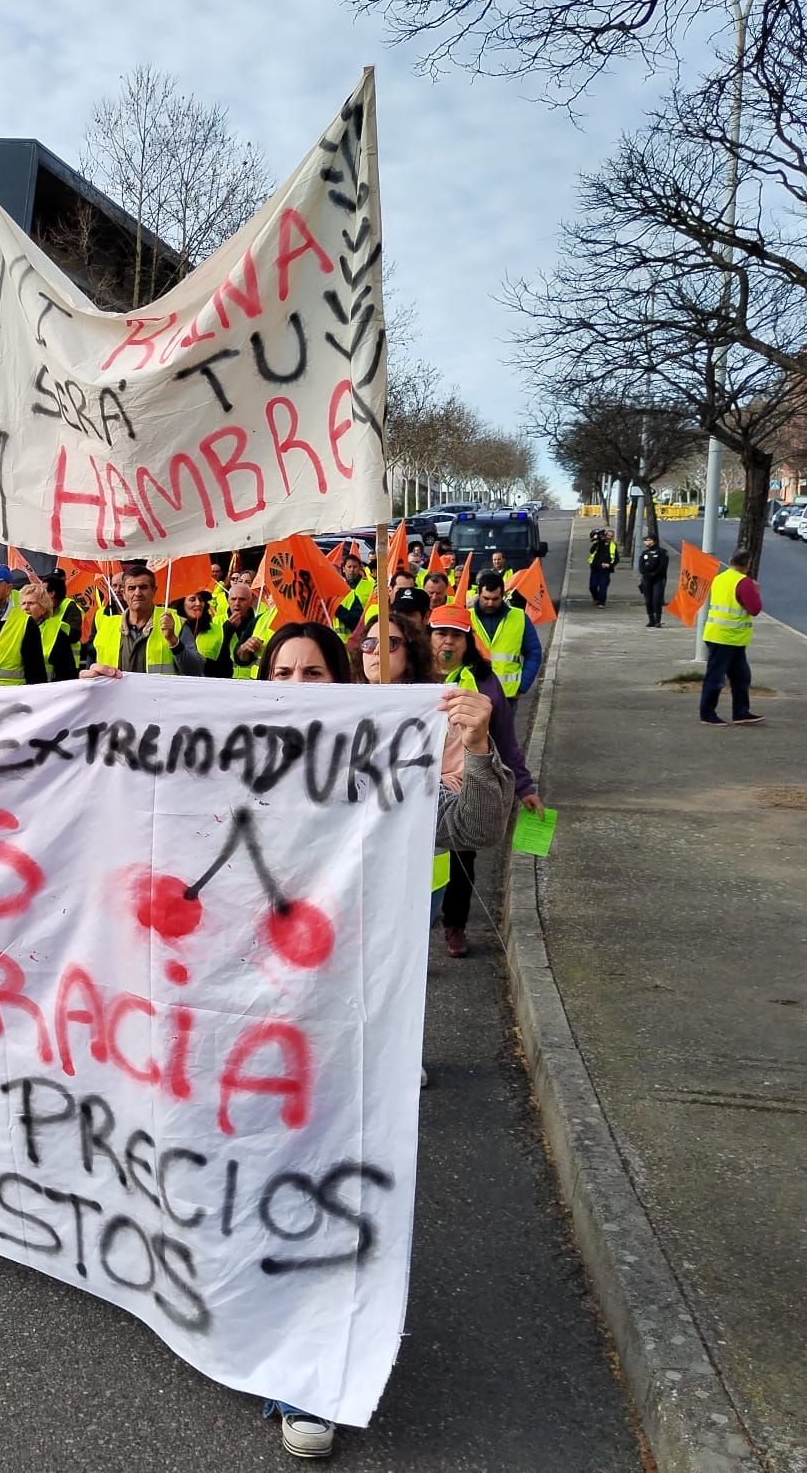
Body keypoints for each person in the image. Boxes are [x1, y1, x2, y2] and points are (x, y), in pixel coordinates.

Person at [251, 609, 514, 1461]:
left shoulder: (383, 762)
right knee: (260, 1181)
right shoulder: (226, 758)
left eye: (314, 675)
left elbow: (473, 830)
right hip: (250, 1021)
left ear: (348, 684)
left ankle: (314, 1376)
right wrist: (114, 712)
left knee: (330, 1187)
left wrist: (475, 749)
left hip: (353, 1018)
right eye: (281, 676)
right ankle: (252, 1323)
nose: (296, 689)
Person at [428, 605, 543, 958]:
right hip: (418, 791)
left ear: (467, 641)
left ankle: (455, 926)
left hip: (467, 791)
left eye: (456, 635)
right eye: (440, 633)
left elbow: (506, 740)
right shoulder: (414, 677)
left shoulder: (486, 682)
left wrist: (524, 788)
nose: (447, 641)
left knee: (463, 863)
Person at [83, 564, 205, 677]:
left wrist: (173, 640)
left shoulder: (176, 624)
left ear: (154, 591)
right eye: (131, 588)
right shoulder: (106, 627)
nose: (137, 593)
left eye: (143, 587)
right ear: (124, 594)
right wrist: (90, 674)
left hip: (161, 700)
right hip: (117, 700)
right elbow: (91, 671)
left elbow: (196, 671)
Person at [700, 548, 765, 725]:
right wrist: (756, 592)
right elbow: (754, 609)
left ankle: (741, 713)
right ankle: (707, 714)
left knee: (741, 676)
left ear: (730, 561)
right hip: (726, 637)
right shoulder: (744, 583)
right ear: (748, 564)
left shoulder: (720, 578)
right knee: (716, 677)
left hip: (724, 635)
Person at [470, 570, 542, 709]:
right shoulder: (467, 617)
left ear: (502, 596)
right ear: (478, 594)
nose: (490, 603)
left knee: (505, 732)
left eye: (495, 599)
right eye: (486, 598)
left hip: (507, 695)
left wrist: (522, 686)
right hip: (473, 693)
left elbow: (534, 653)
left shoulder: (519, 617)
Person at [14, 579, 79, 683]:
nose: (26, 608)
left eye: (31, 603)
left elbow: (67, 675)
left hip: (47, 692)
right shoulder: (15, 629)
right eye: (23, 603)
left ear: (43, 608)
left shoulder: (57, 633)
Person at [220, 581, 273, 679]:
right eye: (233, 599)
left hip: (253, 681)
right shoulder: (217, 621)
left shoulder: (258, 622)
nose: (237, 603)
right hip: (226, 680)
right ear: (228, 600)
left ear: (251, 601)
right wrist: (227, 630)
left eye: (242, 599)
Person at [182, 589, 228, 673]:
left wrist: (202, 662)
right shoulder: (172, 628)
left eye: (201, 599)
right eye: (192, 599)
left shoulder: (217, 630)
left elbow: (226, 670)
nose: (198, 603)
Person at [637, 533, 670, 627]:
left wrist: (655, 573)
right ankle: (651, 619)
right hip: (647, 579)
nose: (646, 542)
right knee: (648, 600)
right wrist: (645, 573)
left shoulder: (662, 552)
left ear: (653, 541)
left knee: (656, 600)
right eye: (645, 540)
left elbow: (663, 566)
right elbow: (641, 566)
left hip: (658, 579)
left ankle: (658, 620)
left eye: (648, 540)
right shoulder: (644, 553)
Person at [587, 529, 618, 608]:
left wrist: (610, 565)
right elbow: (591, 551)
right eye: (608, 535)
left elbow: (617, 559)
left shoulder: (613, 545)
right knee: (592, 586)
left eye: (611, 536)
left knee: (603, 586)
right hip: (595, 568)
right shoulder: (599, 542)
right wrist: (596, 540)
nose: (609, 537)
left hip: (605, 570)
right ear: (605, 535)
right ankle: (596, 598)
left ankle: (601, 602)